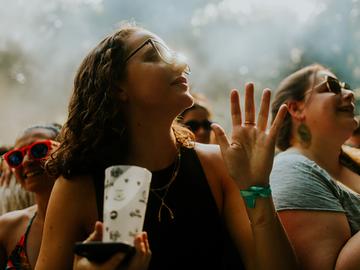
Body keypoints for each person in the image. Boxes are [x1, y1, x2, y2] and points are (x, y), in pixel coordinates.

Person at [35, 23, 297, 270]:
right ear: (117, 87)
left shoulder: (218, 166)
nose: (181, 63)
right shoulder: (77, 188)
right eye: (153, 55)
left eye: (171, 53)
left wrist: (258, 189)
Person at [270, 63, 360, 269]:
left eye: (345, 86)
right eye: (332, 86)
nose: (349, 94)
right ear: (296, 108)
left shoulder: (351, 161)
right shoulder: (291, 171)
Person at [0, 124, 61, 269]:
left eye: (39, 150)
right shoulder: (6, 228)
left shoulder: (89, 218)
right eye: (16, 157)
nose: (26, 161)